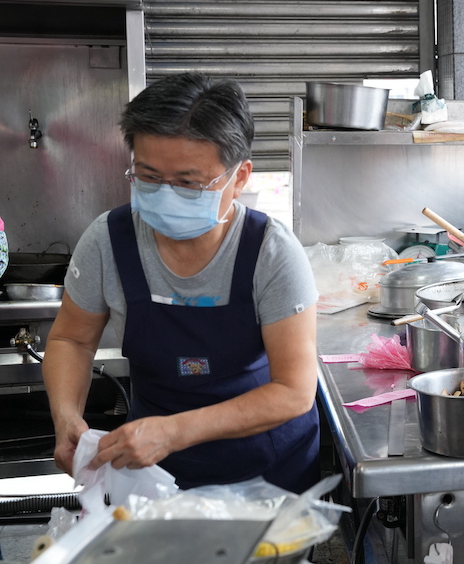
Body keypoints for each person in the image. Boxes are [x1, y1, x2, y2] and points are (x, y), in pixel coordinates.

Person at [43, 73, 320, 493]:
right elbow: (72, 341)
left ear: (239, 177)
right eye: (149, 177)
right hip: (152, 472)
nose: (165, 194)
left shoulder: (272, 253)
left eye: (189, 183)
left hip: (266, 471)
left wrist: (174, 432)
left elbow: (295, 391)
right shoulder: (108, 241)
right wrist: (66, 416)